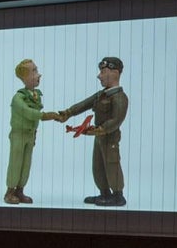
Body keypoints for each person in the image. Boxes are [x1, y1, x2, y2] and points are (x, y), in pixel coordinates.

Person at [45, 56, 128, 206]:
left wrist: (101, 129)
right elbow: (84, 104)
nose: (99, 76)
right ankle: (104, 193)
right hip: (99, 137)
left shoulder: (120, 97)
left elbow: (117, 120)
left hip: (110, 138)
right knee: (98, 166)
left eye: (103, 72)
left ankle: (117, 196)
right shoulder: (101, 95)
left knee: (111, 164)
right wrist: (68, 113)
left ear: (115, 73)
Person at [4, 59, 44, 204]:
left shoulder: (36, 96)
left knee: (26, 163)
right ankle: (9, 191)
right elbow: (28, 112)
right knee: (16, 162)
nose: (38, 75)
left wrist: (34, 133)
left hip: (30, 134)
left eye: (36, 70)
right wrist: (46, 116)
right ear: (24, 77)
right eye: (33, 71)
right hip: (18, 135)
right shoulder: (18, 98)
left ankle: (20, 190)